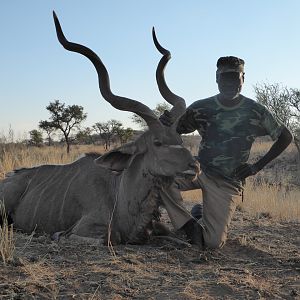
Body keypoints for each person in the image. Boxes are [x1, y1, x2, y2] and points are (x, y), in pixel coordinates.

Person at [159, 56, 293, 249]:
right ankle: (189, 226)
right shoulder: (200, 107)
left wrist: (256, 167)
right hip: (198, 170)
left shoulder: (255, 110)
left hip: (227, 182)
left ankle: (199, 213)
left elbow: (286, 136)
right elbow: (174, 130)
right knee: (160, 180)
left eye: (234, 77)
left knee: (213, 244)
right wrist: (166, 122)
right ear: (216, 78)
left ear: (243, 78)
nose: (230, 83)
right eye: (224, 77)